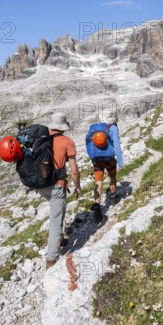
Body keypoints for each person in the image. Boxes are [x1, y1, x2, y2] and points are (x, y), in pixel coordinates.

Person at [37, 112, 81, 269]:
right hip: (57, 185)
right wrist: (78, 186)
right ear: (63, 126)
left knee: (58, 209)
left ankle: (61, 238)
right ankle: (51, 259)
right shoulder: (67, 141)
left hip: (41, 186)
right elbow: (74, 170)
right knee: (55, 219)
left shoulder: (40, 139)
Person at [91, 112, 123, 222]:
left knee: (98, 182)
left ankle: (97, 210)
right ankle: (113, 198)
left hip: (97, 160)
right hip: (109, 159)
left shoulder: (94, 128)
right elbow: (117, 146)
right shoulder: (113, 128)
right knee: (112, 177)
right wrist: (120, 162)